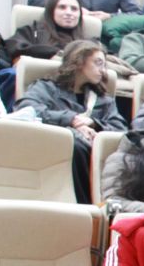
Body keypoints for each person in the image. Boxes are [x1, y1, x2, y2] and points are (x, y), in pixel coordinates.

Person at [25, 40, 125, 198]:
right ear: (78, 62)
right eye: (98, 63)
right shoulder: (46, 88)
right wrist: (71, 120)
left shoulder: (103, 100)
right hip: (53, 149)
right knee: (75, 144)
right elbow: (28, 109)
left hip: (94, 150)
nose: (103, 70)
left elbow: (120, 128)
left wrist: (94, 123)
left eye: (104, 65)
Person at [0, 0, 87, 104]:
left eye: (74, 9)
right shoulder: (31, 31)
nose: (69, 13)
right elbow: (14, 47)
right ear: (51, 11)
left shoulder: (87, 43)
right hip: (32, 86)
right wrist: (52, 53)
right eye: (62, 7)